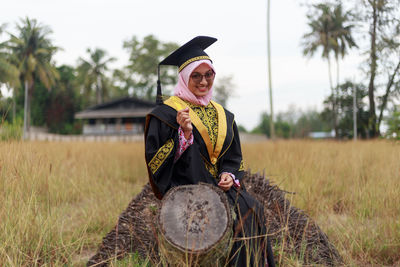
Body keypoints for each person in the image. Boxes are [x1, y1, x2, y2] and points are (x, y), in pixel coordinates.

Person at [145, 36, 275, 267]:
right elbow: (155, 162)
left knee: (251, 209)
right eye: (196, 76)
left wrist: (228, 175)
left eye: (209, 75)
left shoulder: (224, 115)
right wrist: (183, 135)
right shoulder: (166, 114)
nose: (203, 81)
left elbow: (234, 158)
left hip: (220, 187)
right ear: (184, 78)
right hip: (186, 187)